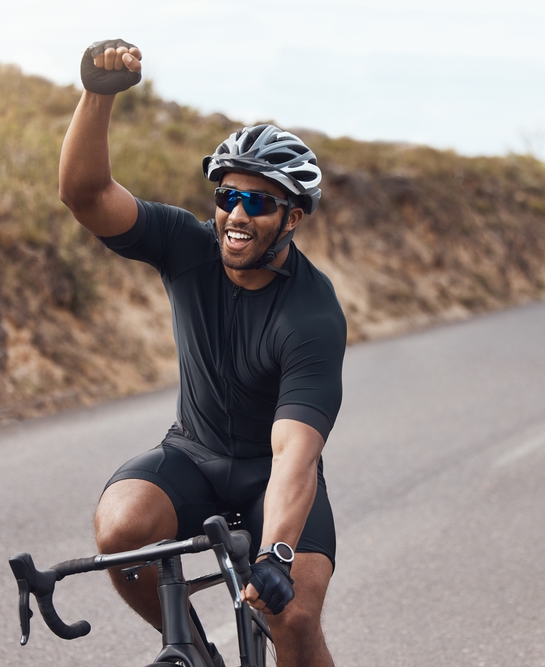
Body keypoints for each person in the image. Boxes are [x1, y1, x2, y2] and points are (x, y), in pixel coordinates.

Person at [59, 40, 345, 667]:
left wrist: (276, 555)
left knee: (291, 614)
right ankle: (196, 652)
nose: (236, 214)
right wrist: (96, 94)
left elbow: (295, 455)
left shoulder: (312, 315)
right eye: (227, 196)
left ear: (292, 218)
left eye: (259, 202)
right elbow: (86, 195)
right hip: (194, 451)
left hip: (272, 478)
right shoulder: (187, 247)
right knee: (121, 525)